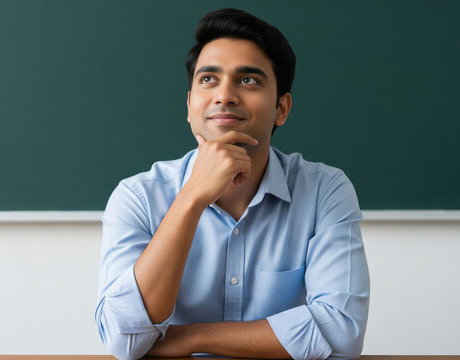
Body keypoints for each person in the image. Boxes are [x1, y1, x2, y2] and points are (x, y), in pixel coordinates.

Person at [95, 8, 369, 360]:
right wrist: (192, 197)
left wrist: (191, 338)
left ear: (281, 109)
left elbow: (342, 333)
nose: (224, 95)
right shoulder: (138, 196)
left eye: (248, 80)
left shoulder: (324, 191)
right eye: (208, 79)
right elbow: (124, 341)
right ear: (190, 105)